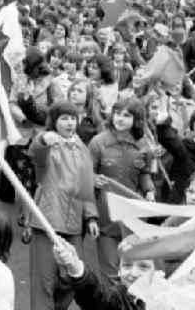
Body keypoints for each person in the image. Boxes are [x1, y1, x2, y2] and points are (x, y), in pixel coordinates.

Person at [26, 102, 99, 310]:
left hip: (75, 223)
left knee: (69, 281)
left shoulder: (83, 149)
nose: (69, 123)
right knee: (44, 282)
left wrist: (91, 217)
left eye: (72, 118)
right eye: (64, 118)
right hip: (47, 221)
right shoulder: (49, 142)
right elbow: (36, 154)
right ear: (54, 121)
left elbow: (87, 187)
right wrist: (42, 140)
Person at [89, 97, 155, 276]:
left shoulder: (144, 147)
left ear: (137, 120)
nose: (119, 118)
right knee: (111, 270)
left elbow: (145, 174)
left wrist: (149, 191)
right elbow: (85, 175)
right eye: (117, 113)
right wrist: (93, 179)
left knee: (130, 269)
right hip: (105, 215)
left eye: (126, 115)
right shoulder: (98, 142)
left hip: (133, 215)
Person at [52, 237, 154, 310]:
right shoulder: (117, 297)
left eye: (143, 267)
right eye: (127, 266)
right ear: (119, 270)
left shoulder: (167, 296)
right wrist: (74, 267)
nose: (134, 273)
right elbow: (95, 300)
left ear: (158, 271)